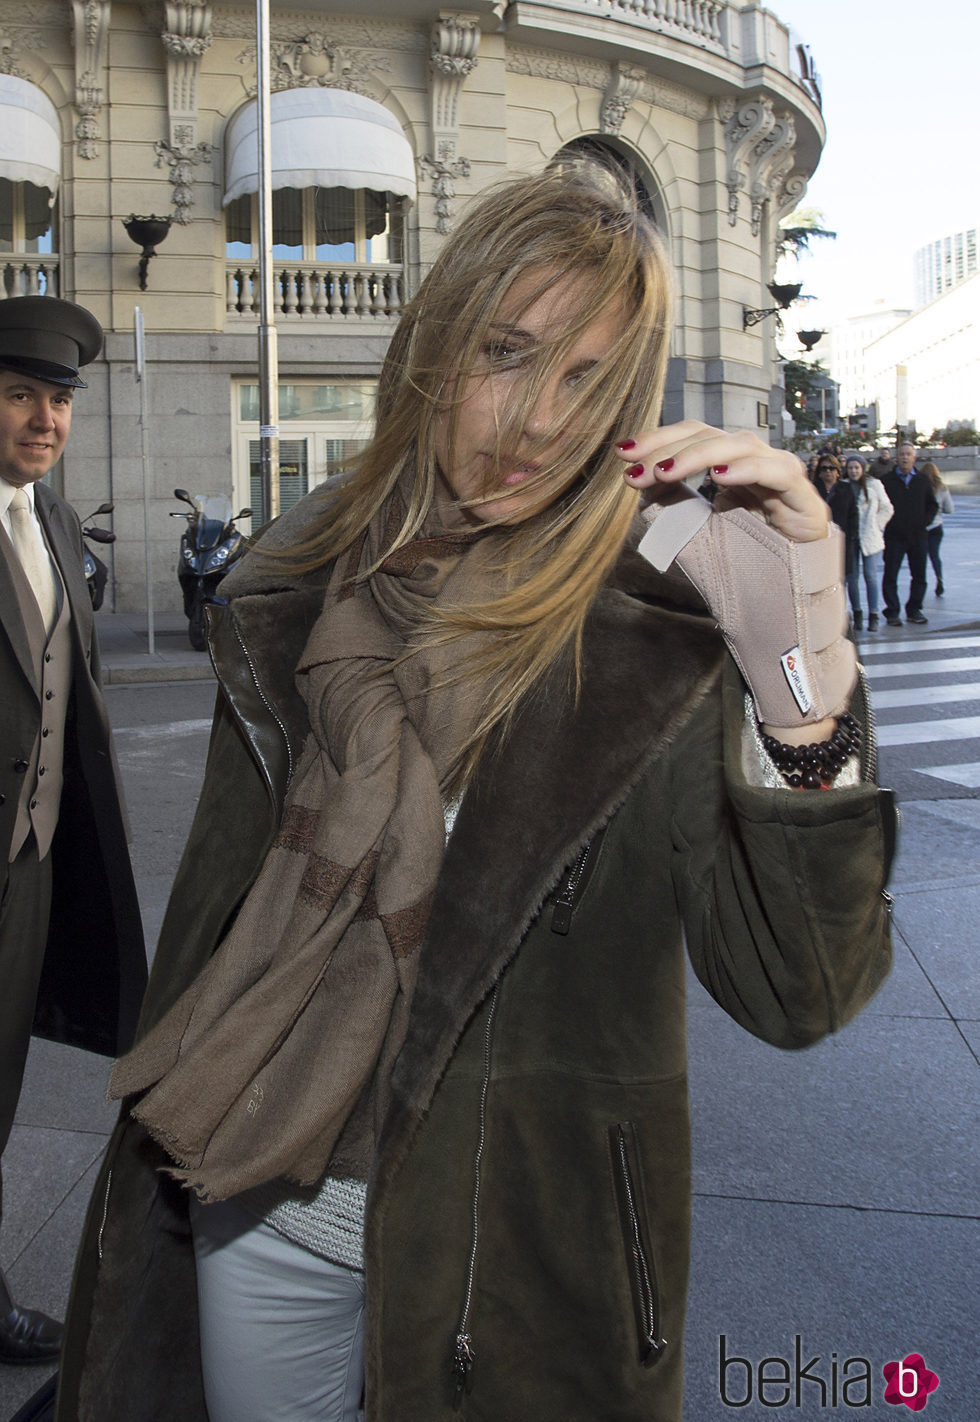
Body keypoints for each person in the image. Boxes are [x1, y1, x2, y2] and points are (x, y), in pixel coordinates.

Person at [56, 171, 894, 1422]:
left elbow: (796, 993)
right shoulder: (293, 594)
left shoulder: (655, 635)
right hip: (255, 1188)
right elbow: (221, 927)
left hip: (507, 1262)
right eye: (507, 354)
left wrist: (799, 680)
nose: (538, 420)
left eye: (586, 380)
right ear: (434, 345)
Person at [0, 298, 147, 1364]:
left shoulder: (50, 519)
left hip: (30, 861)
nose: (42, 421)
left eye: (55, 401)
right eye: (17, 397)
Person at [880, 442, 938, 626]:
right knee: (890, 575)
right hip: (894, 536)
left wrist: (924, 522)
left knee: (919, 575)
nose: (905, 457)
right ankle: (892, 611)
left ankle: (914, 609)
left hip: (918, 536)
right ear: (896, 458)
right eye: (902, 454)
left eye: (908, 454)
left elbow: (933, 505)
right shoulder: (887, 481)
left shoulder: (922, 480)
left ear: (914, 458)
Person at [845, 454, 893, 631]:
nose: (853, 471)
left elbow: (887, 508)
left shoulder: (874, 485)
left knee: (870, 575)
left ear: (862, 468)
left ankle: (873, 613)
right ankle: (857, 613)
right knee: (852, 577)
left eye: (856, 468)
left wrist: (877, 525)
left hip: (870, 536)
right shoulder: (844, 486)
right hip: (850, 537)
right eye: (850, 468)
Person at [814, 453, 859, 612]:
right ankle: (826, 612)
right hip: (820, 542)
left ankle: (848, 614)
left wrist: (851, 535)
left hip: (842, 542)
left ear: (838, 471)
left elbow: (853, 514)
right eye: (824, 468)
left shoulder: (845, 489)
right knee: (822, 581)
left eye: (831, 468)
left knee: (844, 581)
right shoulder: (814, 490)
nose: (828, 471)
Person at [920, 460, 954, 596]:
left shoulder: (919, 487)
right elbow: (950, 509)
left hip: (922, 527)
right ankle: (939, 577)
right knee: (935, 555)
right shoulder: (942, 488)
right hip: (937, 526)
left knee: (920, 557)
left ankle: (920, 582)